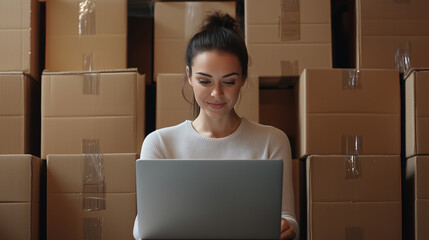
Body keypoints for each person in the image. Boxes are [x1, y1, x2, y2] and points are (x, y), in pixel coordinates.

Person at [133, 11, 298, 240]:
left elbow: (287, 218)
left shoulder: (272, 140)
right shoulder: (160, 143)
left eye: (229, 81)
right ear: (189, 76)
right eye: (204, 81)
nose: (217, 94)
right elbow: (143, 229)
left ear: (243, 78)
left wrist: (288, 228)